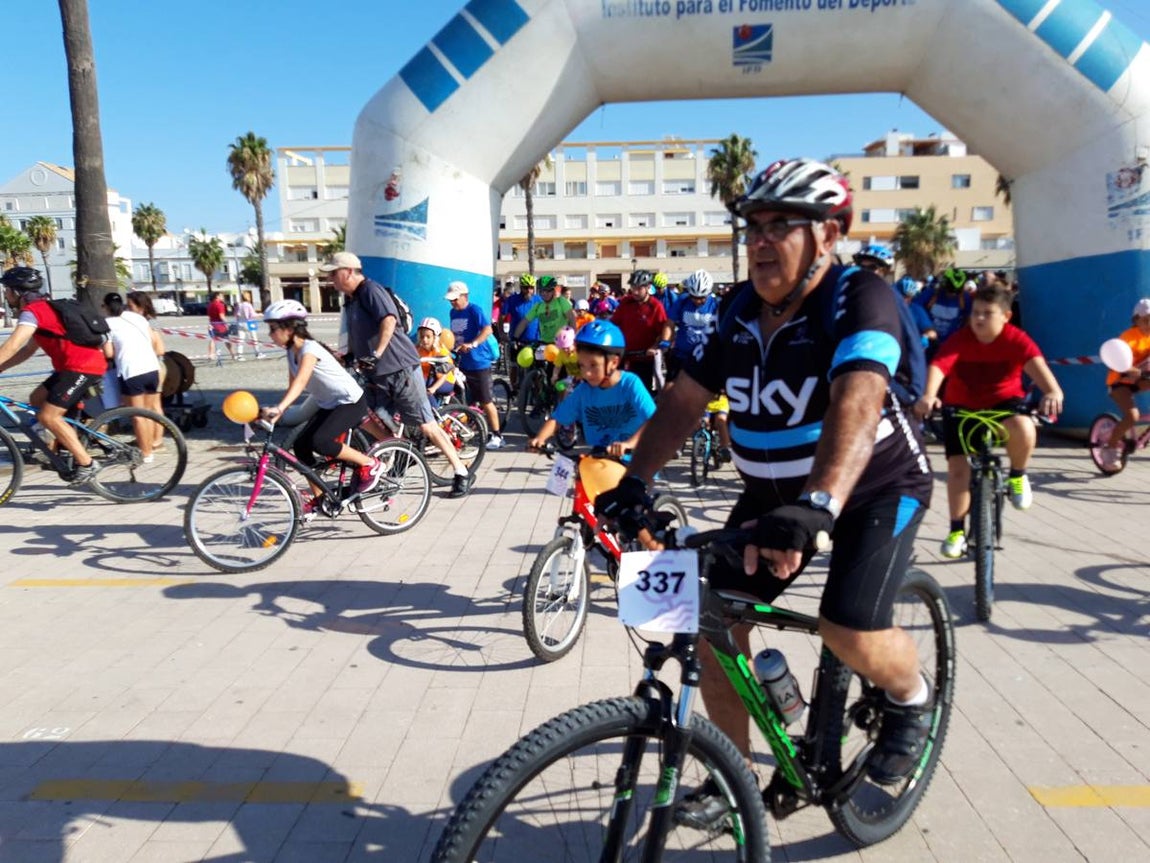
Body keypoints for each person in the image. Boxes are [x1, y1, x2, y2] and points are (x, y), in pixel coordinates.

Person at [597, 157, 938, 800]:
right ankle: (734, 779)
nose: (759, 240)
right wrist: (634, 481)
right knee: (709, 626)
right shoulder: (739, 309)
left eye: (780, 225)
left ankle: (911, 697)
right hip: (772, 496)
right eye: (752, 226)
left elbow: (859, 399)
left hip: (873, 489)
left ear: (828, 234)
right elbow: (686, 398)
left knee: (847, 626)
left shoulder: (858, 296)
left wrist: (819, 504)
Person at [914, 284, 1064, 558]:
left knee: (1024, 426)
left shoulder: (1016, 339)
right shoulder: (961, 339)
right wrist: (929, 395)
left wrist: (1053, 391)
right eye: (975, 312)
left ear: (1006, 316)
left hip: (1002, 403)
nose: (979, 318)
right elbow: (939, 366)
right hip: (962, 406)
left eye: (987, 313)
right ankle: (956, 531)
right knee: (958, 469)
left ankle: (1017, 475)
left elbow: (1036, 365)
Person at [323, 251, 471, 497]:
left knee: (427, 426)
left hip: (401, 369)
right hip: (377, 377)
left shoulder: (371, 290)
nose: (330, 279)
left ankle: (461, 472)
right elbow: (360, 335)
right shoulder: (350, 301)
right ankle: (399, 457)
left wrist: (377, 353)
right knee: (366, 419)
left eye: (333, 273)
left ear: (348, 272)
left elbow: (389, 320)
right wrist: (349, 356)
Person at [258, 299, 385, 507]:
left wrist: (279, 409)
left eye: (273, 329)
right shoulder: (291, 352)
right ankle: (320, 499)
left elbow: (301, 381)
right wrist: (278, 411)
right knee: (301, 447)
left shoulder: (310, 350)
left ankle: (371, 464)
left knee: (320, 441)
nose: (270, 334)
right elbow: (292, 387)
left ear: (289, 329)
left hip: (350, 401)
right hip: (330, 404)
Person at [0, 267, 106, 484]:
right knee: (37, 398)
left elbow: (13, 344)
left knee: (49, 416)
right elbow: (27, 351)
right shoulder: (42, 309)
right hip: (70, 368)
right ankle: (56, 446)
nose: (5, 294)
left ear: (17, 292)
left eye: (7, 290)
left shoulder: (33, 312)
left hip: (82, 367)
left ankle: (86, 464)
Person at [527, 320, 654, 456]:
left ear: (613, 362)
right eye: (582, 366)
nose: (587, 373)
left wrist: (629, 444)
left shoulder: (630, 384)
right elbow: (558, 419)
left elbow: (653, 420)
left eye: (594, 365)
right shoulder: (584, 390)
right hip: (599, 456)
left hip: (635, 458)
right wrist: (540, 438)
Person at [103, 292, 162, 461]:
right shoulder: (138, 318)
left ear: (106, 307)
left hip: (131, 370)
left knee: (137, 415)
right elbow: (151, 340)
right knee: (148, 412)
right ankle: (150, 446)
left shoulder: (107, 324)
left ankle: (146, 453)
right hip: (151, 367)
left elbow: (109, 353)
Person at [446, 280, 505, 448]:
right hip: (462, 362)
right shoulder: (453, 312)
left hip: (479, 362)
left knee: (486, 400)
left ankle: (498, 436)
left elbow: (488, 329)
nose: (453, 303)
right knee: (462, 399)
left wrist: (473, 344)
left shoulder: (474, 310)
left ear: (465, 296)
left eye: (455, 299)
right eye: (451, 300)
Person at [1098, 297, 1150, 472]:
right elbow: (1118, 360)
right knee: (1132, 416)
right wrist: (1130, 369)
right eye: (1146, 320)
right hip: (1120, 382)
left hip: (1141, 379)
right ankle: (1110, 448)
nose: (1149, 325)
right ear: (1136, 320)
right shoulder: (1128, 337)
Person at [610, 269, 668, 393]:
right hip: (623, 355)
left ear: (648, 287)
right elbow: (614, 324)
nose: (635, 292)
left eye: (639, 288)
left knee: (640, 392)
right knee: (618, 390)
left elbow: (662, 332)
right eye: (633, 287)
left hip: (643, 358)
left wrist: (654, 347)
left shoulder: (656, 306)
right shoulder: (626, 302)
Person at [125, 291, 169, 448]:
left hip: (153, 365)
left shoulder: (149, 322)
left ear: (140, 306)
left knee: (153, 406)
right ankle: (146, 438)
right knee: (147, 407)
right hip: (147, 365)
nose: (127, 310)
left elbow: (159, 348)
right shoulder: (139, 321)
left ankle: (157, 439)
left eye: (130, 306)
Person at [663, 268, 720, 384]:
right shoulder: (682, 300)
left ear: (709, 293)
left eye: (702, 298)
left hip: (705, 359)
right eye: (694, 297)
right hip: (681, 356)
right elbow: (670, 323)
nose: (697, 301)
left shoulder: (716, 305)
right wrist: (665, 341)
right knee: (669, 390)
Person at [914, 267, 972, 353]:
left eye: (956, 292)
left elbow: (969, 317)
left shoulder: (965, 298)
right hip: (929, 343)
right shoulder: (931, 293)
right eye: (950, 291)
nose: (952, 295)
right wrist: (926, 327)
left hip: (951, 344)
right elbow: (914, 308)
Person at [512, 275, 575, 345]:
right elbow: (524, 322)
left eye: (548, 290)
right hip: (544, 344)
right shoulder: (538, 306)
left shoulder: (561, 302)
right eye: (542, 291)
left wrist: (572, 339)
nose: (544, 293)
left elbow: (572, 319)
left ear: (553, 290)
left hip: (560, 343)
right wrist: (515, 338)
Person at [415, 317, 457, 402]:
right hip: (428, 378)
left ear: (435, 337)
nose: (424, 340)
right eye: (422, 337)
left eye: (428, 337)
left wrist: (433, 388)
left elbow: (443, 376)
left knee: (424, 387)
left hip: (445, 381)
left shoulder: (439, 352)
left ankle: (433, 409)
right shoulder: (419, 350)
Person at [206, 291, 236, 363]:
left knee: (212, 340)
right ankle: (233, 354)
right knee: (227, 339)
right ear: (217, 296)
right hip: (220, 326)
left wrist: (210, 324)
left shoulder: (210, 305)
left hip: (212, 324)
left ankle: (211, 355)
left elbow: (209, 316)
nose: (223, 297)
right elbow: (221, 316)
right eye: (221, 296)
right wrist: (226, 324)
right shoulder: (220, 305)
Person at [233, 290, 263, 359]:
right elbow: (252, 315)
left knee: (240, 339)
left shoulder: (239, 305)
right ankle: (257, 353)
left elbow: (235, 314)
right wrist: (260, 314)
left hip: (240, 322)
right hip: (250, 322)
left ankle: (240, 355)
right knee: (254, 338)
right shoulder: (249, 305)